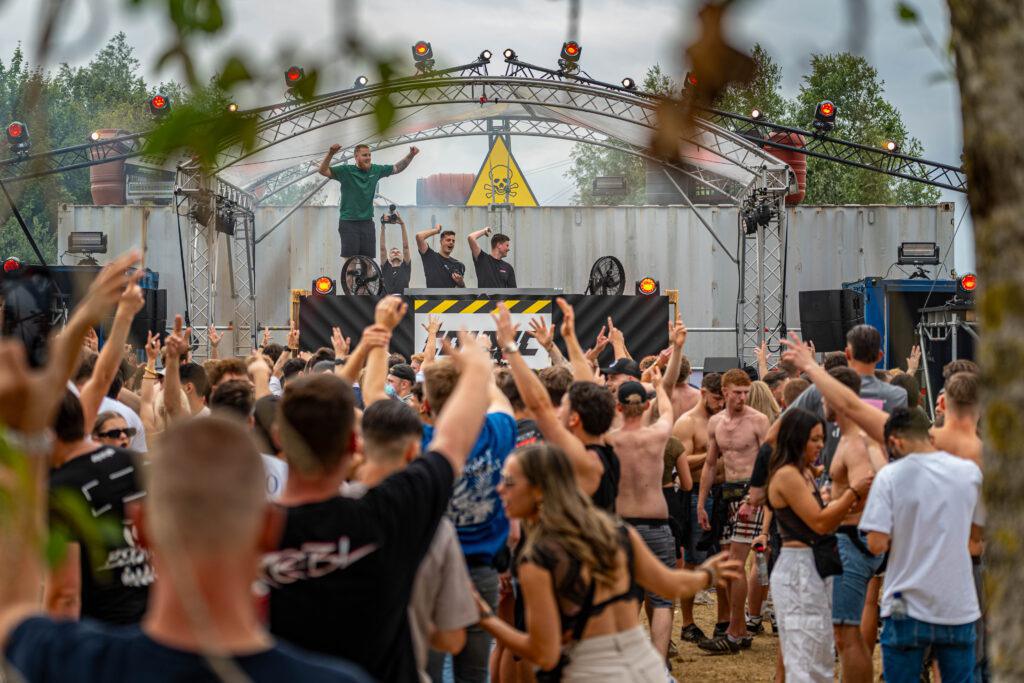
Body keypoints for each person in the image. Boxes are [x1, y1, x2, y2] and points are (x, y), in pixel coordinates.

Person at [1, 250, 369, 682]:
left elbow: (12, 615)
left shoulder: (77, 662)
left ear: (142, 526)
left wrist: (25, 436)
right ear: (270, 527)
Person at [262, 296, 494, 682]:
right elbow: (451, 444)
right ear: (355, 444)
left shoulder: (244, 530)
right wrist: (477, 370)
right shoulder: (384, 515)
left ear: (278, 438)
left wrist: (375, 339)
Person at [476, 444, 743, 681]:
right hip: (645, 669)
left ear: (539, 490)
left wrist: (487, 619)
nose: (499, 489)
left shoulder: (538, 559)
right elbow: (670, 585)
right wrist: (707, 574)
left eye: (509, 482)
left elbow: (543, 653)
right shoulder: (615, 532)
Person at [344, 400, 477, 683]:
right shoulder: (437, 528)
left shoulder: (326, 510)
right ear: (413, 451)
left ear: (360, 445)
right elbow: (452, 639)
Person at [859, 407, 984, 683]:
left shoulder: (889, 476)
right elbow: (976, 535)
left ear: (895, 442)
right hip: (956, 605)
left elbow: (876, 544)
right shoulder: (969, 473)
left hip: (905, 605)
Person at [420, 337, 516, 683]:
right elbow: (500, 401)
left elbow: (372, 398)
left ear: (426, 405)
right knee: (474, 673)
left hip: (429, 568)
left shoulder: (420, 441)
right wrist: (478, 368)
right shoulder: (497, 432)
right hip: (480, 567)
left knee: (427, 670)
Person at [766, 408, 873, 683]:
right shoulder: (787, 475)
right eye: (814, 439)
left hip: (813, 566)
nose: (820, 445)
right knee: (804, 654)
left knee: (818, 651)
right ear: (796, 439)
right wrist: (852, 492)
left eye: (822, 439)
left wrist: (836, 502)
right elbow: (820, 522)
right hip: (798, 569)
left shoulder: (804, 473)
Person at [46, 391, 153, 625]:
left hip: (106, 629)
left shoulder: (60, 489)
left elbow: (65, 593)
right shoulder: (133, 461)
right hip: (158, 621)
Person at [696, 368, 769, 653]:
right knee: (728, 565)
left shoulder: (758, 420)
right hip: (727, 495)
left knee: (737, 564)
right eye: (736, 393)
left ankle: (736, 632)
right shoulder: (716, 422)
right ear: (725, 392)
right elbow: (710, 464)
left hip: (752, 495)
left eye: (745, 392)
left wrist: (756, 498)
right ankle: (736, 627)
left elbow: (768, 462)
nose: (741, 398)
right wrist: (702, 502)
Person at [607, 371, 678, 663]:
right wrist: (659, 387)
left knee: (623, 597)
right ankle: (658, 667)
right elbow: (668, 411)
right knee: (662, 600)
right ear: (646, 406)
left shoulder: (610, 440)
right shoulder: (657, 435)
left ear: (618, 407)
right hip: (655, 524)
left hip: (621, 527)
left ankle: (624, 662)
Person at [825, 367, 888, 683]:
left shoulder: (858, 442)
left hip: (852, 540)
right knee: (844, 632)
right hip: (853, 539)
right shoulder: (852, 437)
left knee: (846, 633)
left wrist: (838, 502)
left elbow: (869, 488)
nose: (822, 402)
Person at [783, 324, 907, 472]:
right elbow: (902, 446)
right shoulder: (897, 396)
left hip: (832, 478)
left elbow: (783, 425)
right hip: (879, 478)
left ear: (847, 354)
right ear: (880, 356)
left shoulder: (821, 390)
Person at [671, 371, 726, 644]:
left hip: (724, 493)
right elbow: (682, 461)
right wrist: (713, 452)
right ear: (703, 393)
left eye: (723, 398)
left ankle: (724, 621)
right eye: (717, 398)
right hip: (695, 495)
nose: (721, 403)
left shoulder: (726, 418)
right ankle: (688, 623)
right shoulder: (688, 422)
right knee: (693, 560)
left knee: (726, 559)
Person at [319, 142, 419, 258]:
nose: (368, 158)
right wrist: (331, 153)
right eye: (364, 155)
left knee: (368, 261)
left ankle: (368, 270)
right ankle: (350, 270)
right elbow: (323, 171)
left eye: (369, 155)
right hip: (348, 222)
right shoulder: (346, 171)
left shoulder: (376, 170)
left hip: (367, 222)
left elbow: (396, 168)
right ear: (356, 157)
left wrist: (411, 155)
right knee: (351, 261)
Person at [417, 224, 467, 288]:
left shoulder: (459, 265)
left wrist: (462, 284)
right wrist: (436, 230)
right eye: (448, 240)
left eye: (453, 241)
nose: (451, 242)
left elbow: (462, 290)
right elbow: (419, 236)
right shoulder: (430, 257)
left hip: (451, 295)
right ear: (441, 242)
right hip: (432, 294)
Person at [380, 211, 412, 294]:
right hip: (388, 300)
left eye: (398, 252)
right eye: (392, 252)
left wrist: (402, 224)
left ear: (402, 257)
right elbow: (382, 249)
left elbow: (405, 247)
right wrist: (383, 226)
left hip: (403, 300)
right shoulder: (386, 268)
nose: (396, 252)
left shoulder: (406, 267)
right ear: (389, 258)